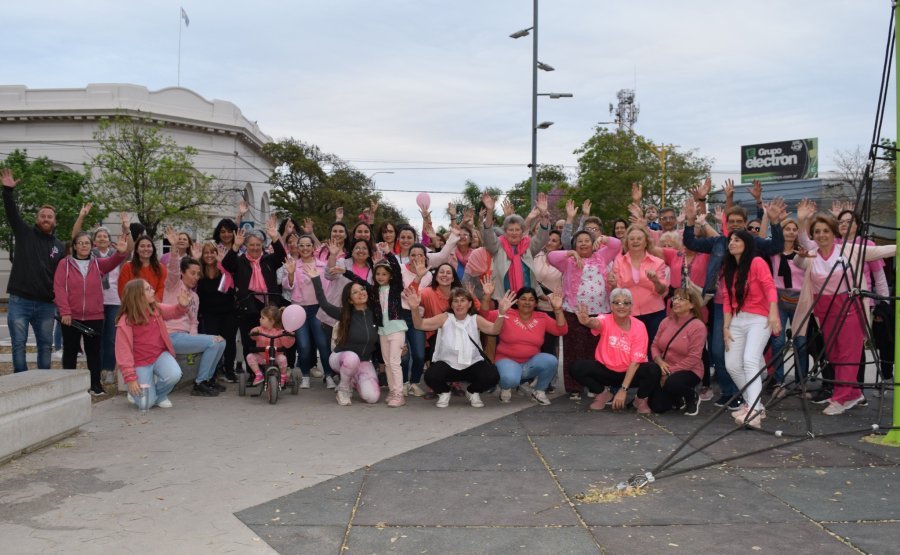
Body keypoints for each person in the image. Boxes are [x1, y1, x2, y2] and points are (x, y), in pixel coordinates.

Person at [793, 211, 897, 416]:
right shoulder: (812, 255)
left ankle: (841, 397)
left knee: (848, 355)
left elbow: (881, 251)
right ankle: (854, 393)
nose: (822, 235)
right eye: (817, 232)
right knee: (833, 354)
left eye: (826, 231)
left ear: (834, 233)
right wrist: (802, 227)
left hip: (850, 308)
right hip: (825, 311)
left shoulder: (849, 250)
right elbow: (798, 262)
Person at [2, 168, 66, 372]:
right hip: (20, 301)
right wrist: (8, 191)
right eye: (42, 216)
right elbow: (12, 213)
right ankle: (21, 381)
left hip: (46, 304)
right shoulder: (24, 233)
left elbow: (62, 277)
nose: (46, 218)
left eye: (50, 216)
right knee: (18, 345)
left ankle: (43, 383)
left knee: (45, 347)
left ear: (55, 221)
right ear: (37, 219)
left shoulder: (60, 247)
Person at [547, 228, 621, 398]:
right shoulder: (568, 261)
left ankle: (595, 386)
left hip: (600, 313)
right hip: (574, 312)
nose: (583, 243)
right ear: (574, 245)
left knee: (596, 351)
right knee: (573, 350)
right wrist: (571, 253)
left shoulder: (602, 256)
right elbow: (551, 257)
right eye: (579, 241)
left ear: (593, 244)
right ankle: (574, 387)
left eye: (587, 240)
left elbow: (617, 245)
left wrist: (603, 238)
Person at [407, 286, 510, 408]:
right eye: (455, 301)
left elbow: (494, 330)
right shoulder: (444, 318)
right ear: (451, 305)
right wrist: (414, 308)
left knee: (492, 376)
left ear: (469, 304)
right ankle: (444, 392)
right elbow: (419, 325)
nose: (459, 304)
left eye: (462, 300)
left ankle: (472, 391)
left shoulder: (475, 319)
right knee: (430, 376)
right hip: (448, 364)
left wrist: (501, 314)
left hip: (472, 364)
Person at [53, 230, 129, 395]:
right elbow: (59, 288)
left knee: (94, 352)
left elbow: (112, 262)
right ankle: (70, 388)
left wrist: (121, 252)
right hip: (71, 317)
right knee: (70, 352)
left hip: (94, 316)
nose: (84, 246)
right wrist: (65, 312)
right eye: (80, 243)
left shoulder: (97, 263)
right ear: (74, 246)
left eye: (86, 243)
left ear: (91, 245)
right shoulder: (64, 264)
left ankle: (95, 385)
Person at [721, 229, 781, 429]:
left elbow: (770, 287)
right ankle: (754, 404)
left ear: (747, 243)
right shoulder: (729, 268)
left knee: (749, 360)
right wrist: (725, 327)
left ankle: (754, 412)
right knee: (732, 365)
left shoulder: (757, 262)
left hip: (759, 319)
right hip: (737, 320)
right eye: (730, 240)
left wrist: (773, 313)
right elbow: (727, 301)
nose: (731, 243)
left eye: (737, 240)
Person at [571, 288, 660, 413]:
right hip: (607, 371)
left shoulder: (639, 326)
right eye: (617, 302)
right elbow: (596, 323)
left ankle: (640, 399)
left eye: (626, 303)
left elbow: (635, 363)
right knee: (577, 367)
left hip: (631, 372)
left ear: (631, 307)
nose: (621, 306)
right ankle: (603, 394)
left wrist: (623, 390)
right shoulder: (605, 318)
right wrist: (587, 322)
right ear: (611, 306)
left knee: (653, 369)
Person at [162, 231, 226, 397]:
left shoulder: (194, 297)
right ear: (183, 273)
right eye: (192, 273)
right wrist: (174, 248)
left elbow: (193, 322)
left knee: (221, 342)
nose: (196, 277)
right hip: (170, 336)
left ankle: (207, 380)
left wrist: (194, 341)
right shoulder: (173, 286)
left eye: (198, 274)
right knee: (213, 342)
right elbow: (173, 270)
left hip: (184, 337)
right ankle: (199, 383)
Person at [480, 284, 567, 405]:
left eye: (531, 300)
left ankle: (539, 391)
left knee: (551, 360)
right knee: (510, 379)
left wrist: (557, 309)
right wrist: (487, 296)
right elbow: (485, 315)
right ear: (517, 301)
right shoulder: (506, 313)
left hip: (530, 363)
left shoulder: (542, 317)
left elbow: (561, 330)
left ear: (536, 303)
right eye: (523, 299)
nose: (527, 302)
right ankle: (506, 387)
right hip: (507, 359)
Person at [307, 265, 380, 406]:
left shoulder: (375, 314)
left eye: (362, 289)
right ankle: (343, 389)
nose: (361, 293)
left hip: (363, 362)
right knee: (352, 359)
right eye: (355, 292)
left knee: (372, 398)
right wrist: (316, 279)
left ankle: (353, 380)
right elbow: (323, 303)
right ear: (350, 300)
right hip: (341, 359)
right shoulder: (344, 313)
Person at [340, 254, 408, 407]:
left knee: (394, 363)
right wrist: (344, 272)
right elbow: (360, 280)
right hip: (383, 331)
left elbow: (397, 270)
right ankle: (393, 391)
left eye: (384, 274)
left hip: (396, 329)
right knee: (388, 363)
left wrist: (388, 253)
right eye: (378, 274)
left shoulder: (395, 288)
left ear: (390, 276)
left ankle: (399, 394)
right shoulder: (374, 291)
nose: (381, 277)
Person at [221, 217, 286, 368]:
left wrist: (275, 238)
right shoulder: (240, 260)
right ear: (246, 246)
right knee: (249, 340)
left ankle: (272, 367)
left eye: (258, 244)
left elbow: (282, 257)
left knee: (271, 339)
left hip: (269, 304)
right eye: (251, 245)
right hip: (247, 304)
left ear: (262, 245)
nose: (255, 248)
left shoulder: (268, 259)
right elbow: (227, 264)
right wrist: (235, 246)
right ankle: (253, 372)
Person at [116, 279, 191, 410]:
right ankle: (135, 392)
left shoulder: (156, 308)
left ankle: (159, 396)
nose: (153, 291)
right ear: (137, 295)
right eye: (148, 289)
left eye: (151, 288)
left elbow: (173, 311)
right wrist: (131, 378)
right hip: (139, 363)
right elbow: (123, 352)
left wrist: (182, 306)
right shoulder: (125, 321)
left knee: (175, 374)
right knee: (146, 405)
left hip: (159, 355)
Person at [282, 235, 331, 389]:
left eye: (308, 245)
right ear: (297, 247)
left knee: (322, 343)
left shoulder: (322, 265)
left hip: (317, 309)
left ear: (313, 247)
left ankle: (329, 375)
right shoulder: (293, 264)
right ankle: (305, 375)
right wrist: (291, 273)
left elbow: (327, 289)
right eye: (301, 245)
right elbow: (287, 286)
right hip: (299, 310)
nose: (305, 248)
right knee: (303, 346)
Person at [648, 288, 708, 415]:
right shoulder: (666, 322)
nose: (675, 302)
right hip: (665, 367)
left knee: (673, 383)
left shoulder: (698, 326)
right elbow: (654, 346)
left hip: (689, 370)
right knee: (657, 407)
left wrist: (669, 372)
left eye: (681, 299)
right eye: (675, 298)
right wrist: (659, 362)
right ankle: (678, 399)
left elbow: (694, 358)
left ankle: (691, 396)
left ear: (692, 305)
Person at [612, 224, 669, 345]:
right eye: (632, 239)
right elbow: (616, 291)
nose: (635, 241)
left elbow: (662, 291)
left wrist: (656, 281)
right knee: (631, 348)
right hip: (628, 314)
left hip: (655, 313)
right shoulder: (618, 262)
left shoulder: (658, 262)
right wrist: (612, 284)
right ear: (627, 243)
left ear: (646, 242)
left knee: (654, 349)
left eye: (639, 238)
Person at [196, 241, 239, 383]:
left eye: (212, 252)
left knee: (229, 342)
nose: (209, 255)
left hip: (228, 312)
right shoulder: (199, 272)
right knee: (213, 343)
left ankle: (229, 370)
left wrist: (222, 264)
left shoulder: (224, 269)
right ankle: (212, 373)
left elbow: (229, 288)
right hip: (209, 314)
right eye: (206, 253)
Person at [246, 305, 295, 387]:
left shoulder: (280, 332)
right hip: (262, 357)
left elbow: (287, 345)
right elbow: (253, 336)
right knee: (250, 356)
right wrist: (254, 332)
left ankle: (283, 376)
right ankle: (258, 374)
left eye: (262, 318)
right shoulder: (259, 329)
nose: (260, 319)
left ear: (271, 321)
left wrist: (290, 337)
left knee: (283, 359)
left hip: (276, 357)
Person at [118, 235, 166, 301]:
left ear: (153, 249)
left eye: (149, 246)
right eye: (142, 246)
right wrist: (139, 304)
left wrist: (151, 302)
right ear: (137, 250)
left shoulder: (161, 268)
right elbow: (123, 290)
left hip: (154, 304)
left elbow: (162, 289)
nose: (146, 249)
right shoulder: (127, 267)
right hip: (133, 305)